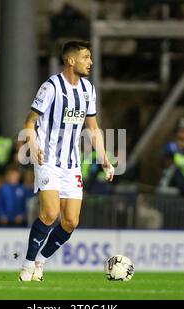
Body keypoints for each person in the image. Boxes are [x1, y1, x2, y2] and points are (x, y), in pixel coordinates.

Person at [18, 40, 114, 281]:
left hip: (72, 164)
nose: (90, 62)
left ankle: (41, 262)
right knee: (50, 214)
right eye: (86, 57)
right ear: (71, 61)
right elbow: (29, 122)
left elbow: (93, 128)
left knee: (70, 221)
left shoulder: (88, 90)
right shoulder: (51, 87)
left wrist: (104, 159)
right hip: (48, 158)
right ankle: (27, 266)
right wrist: (33, 145)